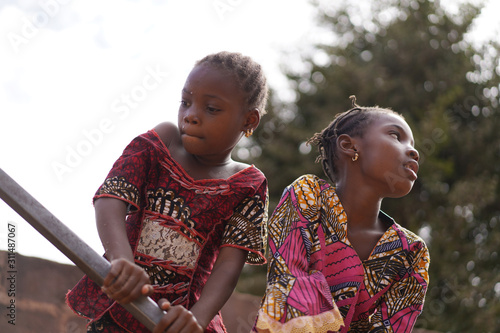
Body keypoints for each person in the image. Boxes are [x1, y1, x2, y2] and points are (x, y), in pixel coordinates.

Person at [66, 51, 270, 333]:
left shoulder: (248, 184)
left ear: (249, 120)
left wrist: (197, 318)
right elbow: (112, 197)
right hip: (121, 307)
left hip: (180, 321)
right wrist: (121, 261)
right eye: (185, 102)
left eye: (211, 109)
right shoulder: (163, 143)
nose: (191, 116)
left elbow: (228, 266)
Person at [253, 97, 430, 333]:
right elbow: (287, 283)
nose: (414, 151)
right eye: (396, 136)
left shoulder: (411, 253)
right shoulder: (307, 196)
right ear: (349, 146)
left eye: (412, 143)